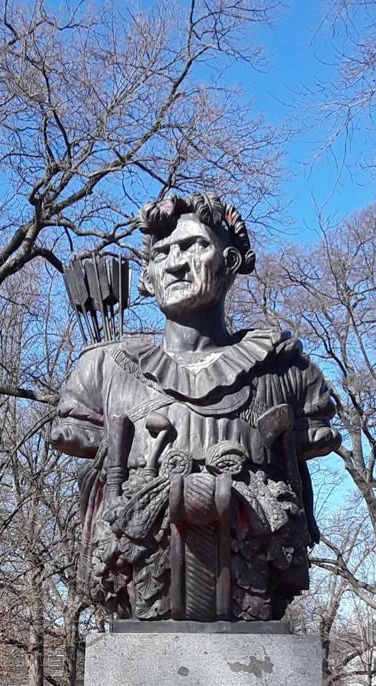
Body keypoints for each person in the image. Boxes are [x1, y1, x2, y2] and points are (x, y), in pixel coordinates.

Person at [50, 192, 340, 622]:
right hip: (143, 594)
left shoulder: (287, 370)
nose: (176, 263)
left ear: (231, 261)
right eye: (163, 253)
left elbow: (311, 439)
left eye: (194, 246)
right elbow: (75, 438)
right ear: (146, 278)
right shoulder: (102, 370)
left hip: (252, 591)